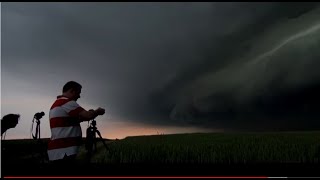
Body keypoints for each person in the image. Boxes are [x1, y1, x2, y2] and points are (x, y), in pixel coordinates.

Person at [47, 81, 105, 165]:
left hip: (59, 151)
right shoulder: (67, 102)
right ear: (72, 91)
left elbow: (79, 118)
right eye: (78, 93)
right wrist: (97, 111)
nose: (79, 96)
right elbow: (87, 116)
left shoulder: (58, 103)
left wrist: (91, 114)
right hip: (64, 152)